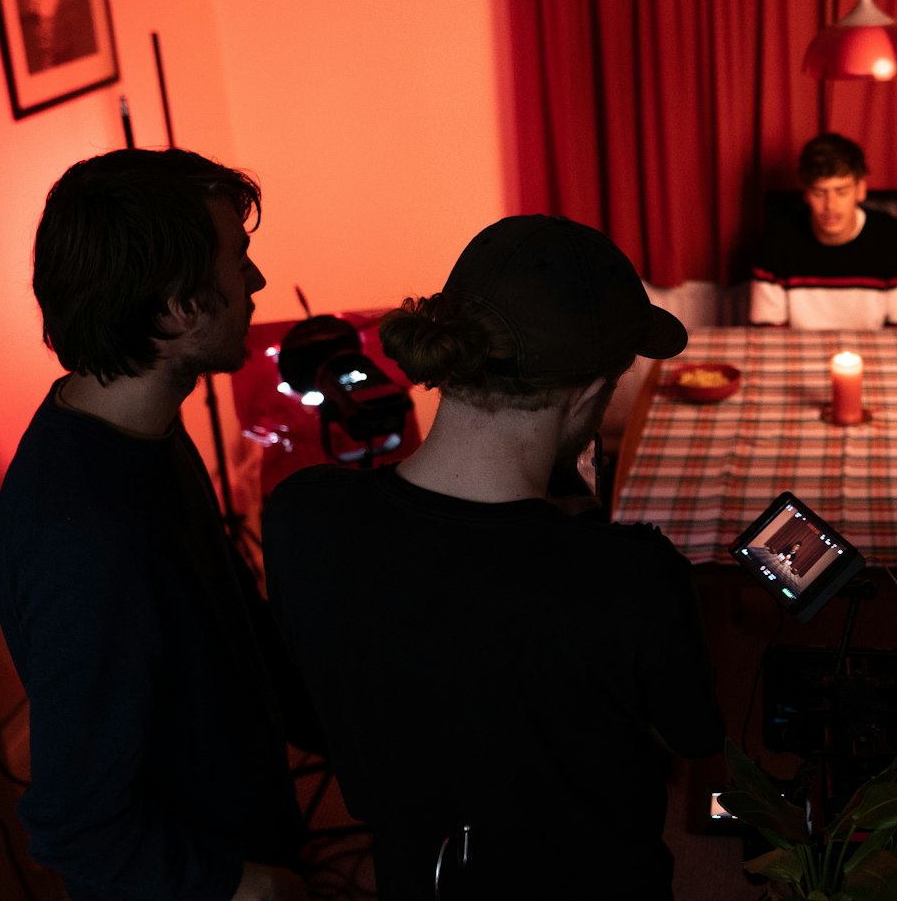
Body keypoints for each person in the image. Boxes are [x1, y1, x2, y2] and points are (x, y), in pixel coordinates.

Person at [262, 215, 726, 900]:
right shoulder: (629, 575)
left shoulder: (303, 514)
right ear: (589, 396)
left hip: (417, 876)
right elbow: (696, 732)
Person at [0, 148, 309, 901]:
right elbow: (75, 825)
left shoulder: (141, 431)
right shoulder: (85, 537)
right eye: (239, 261)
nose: (257, 282)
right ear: (176, 309)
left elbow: (228, 634)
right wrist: (244, 885)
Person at [749, 132, 897, 329]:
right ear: (806, 194)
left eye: (841, 192)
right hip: (798, 348)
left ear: (860, 190)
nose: (830, 206)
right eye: (819, 192)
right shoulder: (776, 240)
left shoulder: (893, 238)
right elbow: (767, 332)